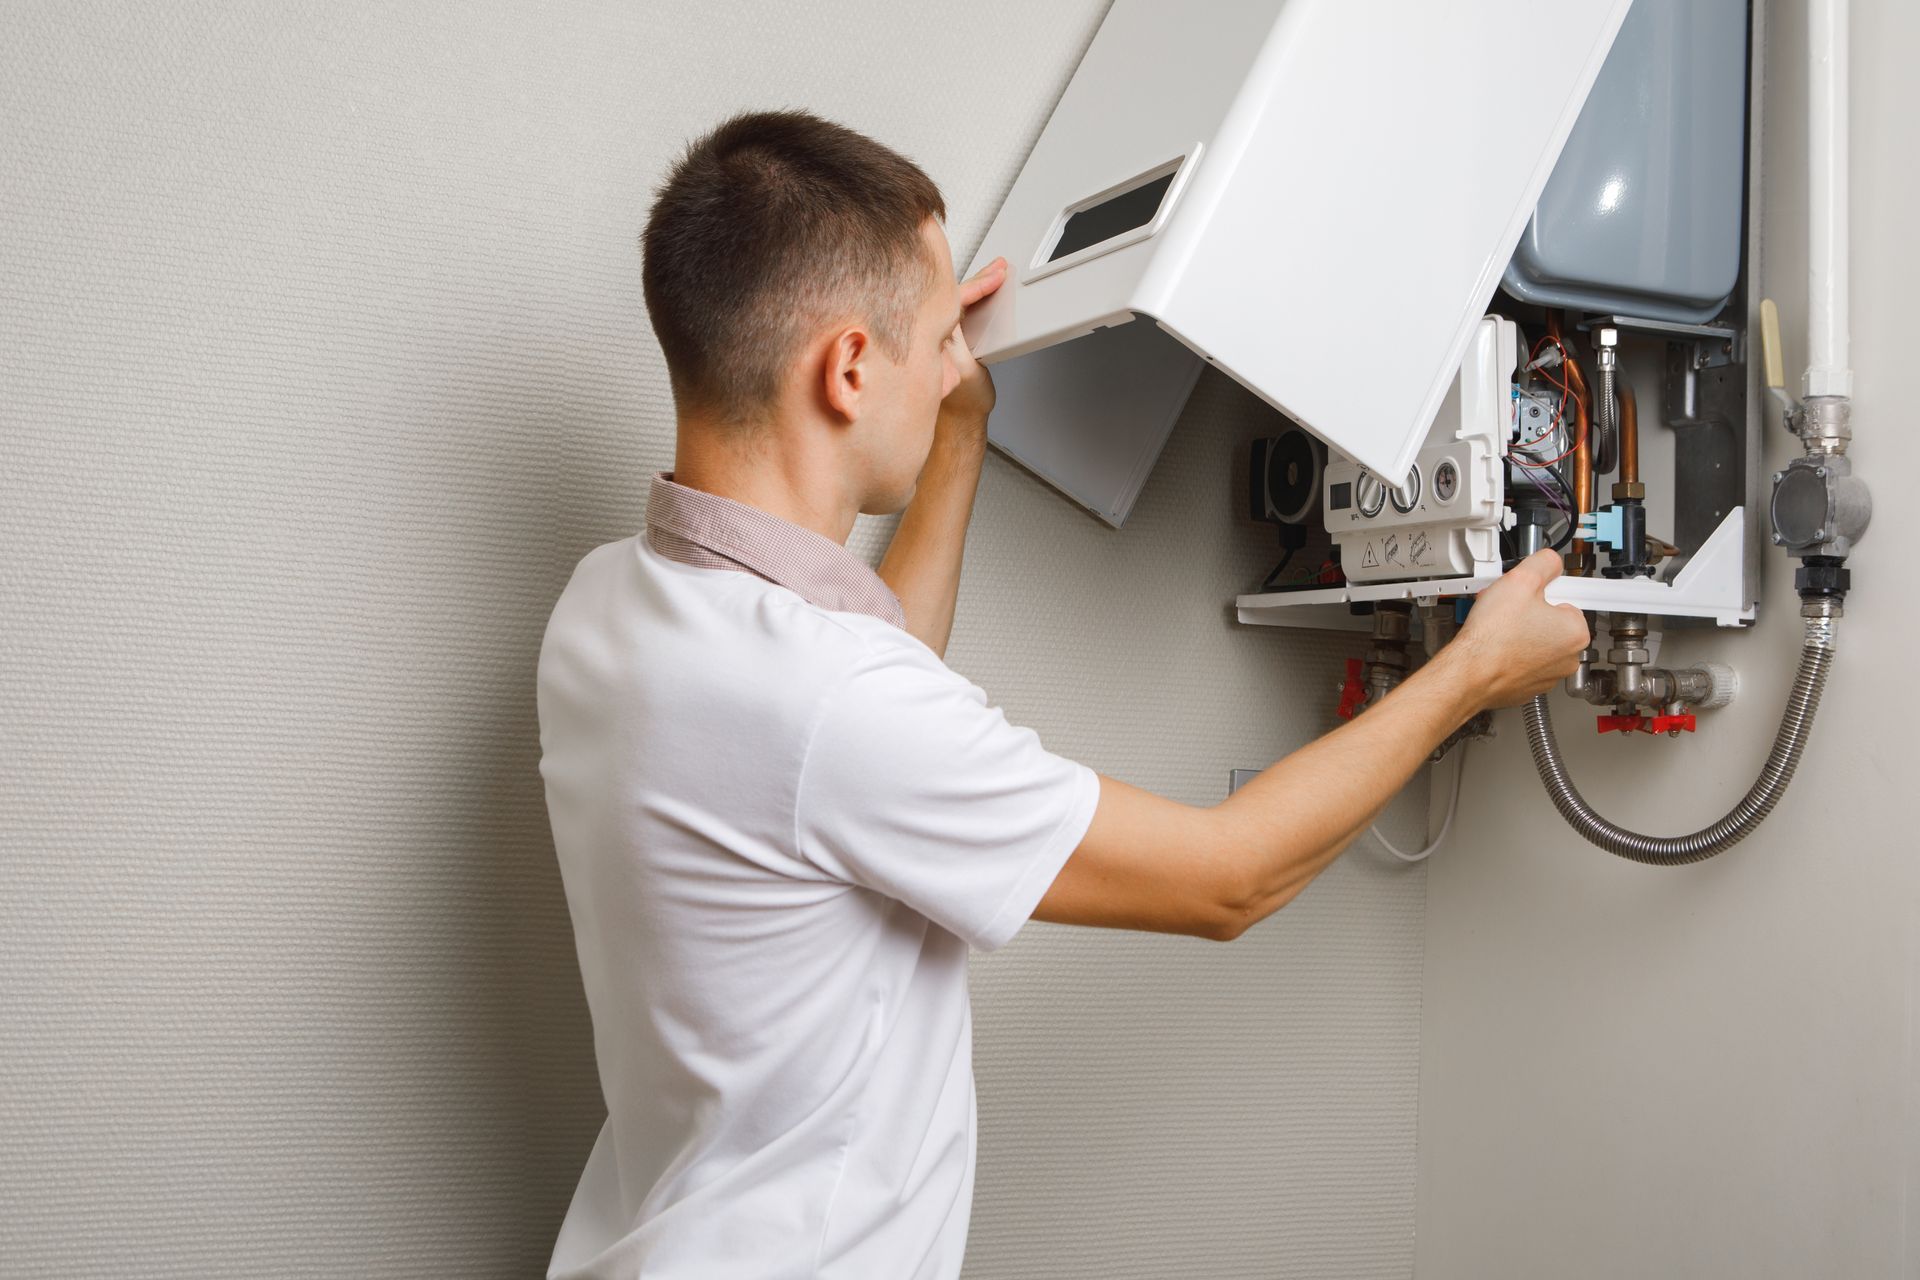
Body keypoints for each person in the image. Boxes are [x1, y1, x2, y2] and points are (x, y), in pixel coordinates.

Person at [535, 109, 1589, 1280]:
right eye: (940, 339)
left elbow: (854, 735)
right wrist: (1474, 670)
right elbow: (1227, 876)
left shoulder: (609, 606)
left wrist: (957, 438)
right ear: (844, 368)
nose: (953, 364)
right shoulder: (826, 700)